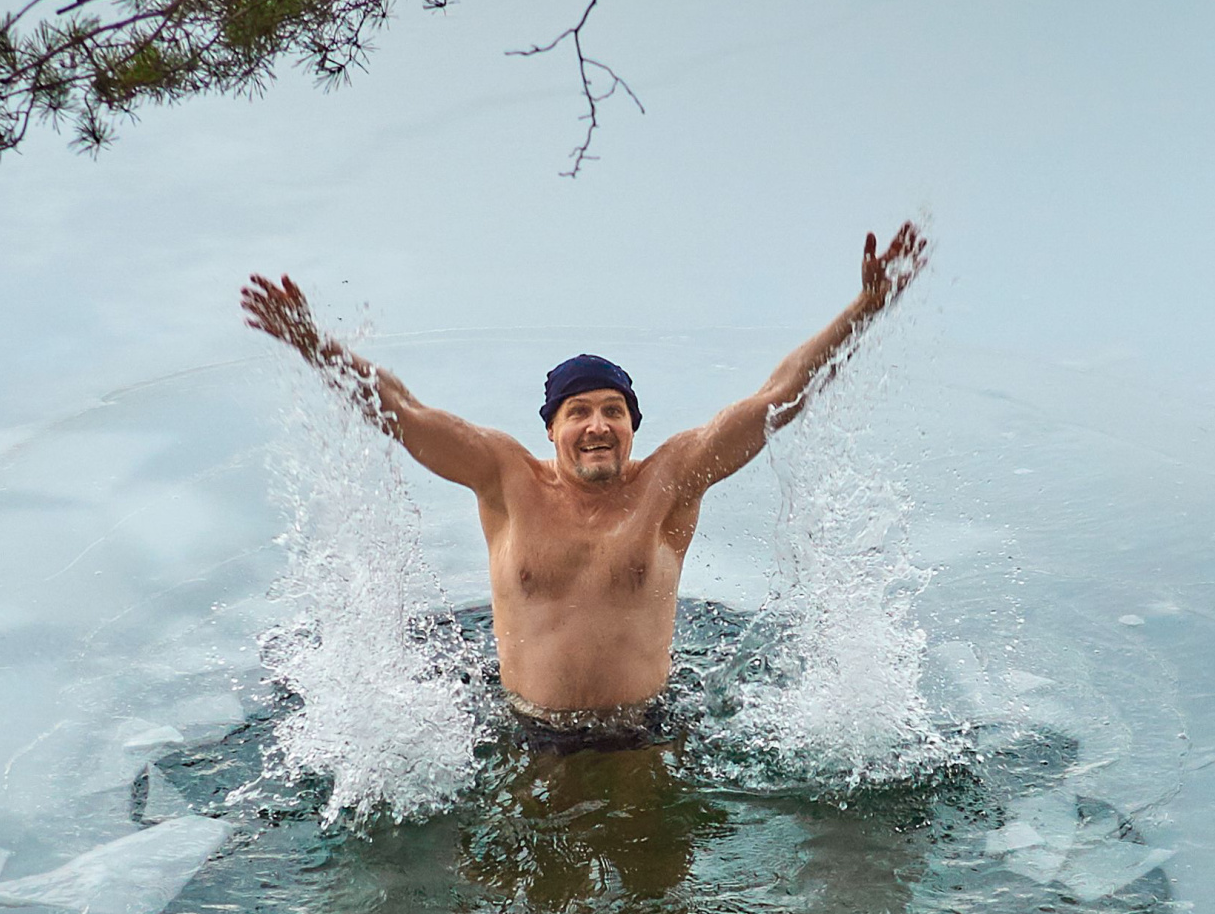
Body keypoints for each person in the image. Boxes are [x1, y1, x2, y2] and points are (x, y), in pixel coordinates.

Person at [240, 223, 927, 752]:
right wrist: (315, 344)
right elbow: (403, 409)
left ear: (632, 426)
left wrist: (864, 310)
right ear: (551, 429)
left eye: (612, 412)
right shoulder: (506, 479)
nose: (596, 426)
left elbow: (779, 395)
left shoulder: (671, 481)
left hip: (642, 738)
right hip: (526, 737)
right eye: (579, 413)